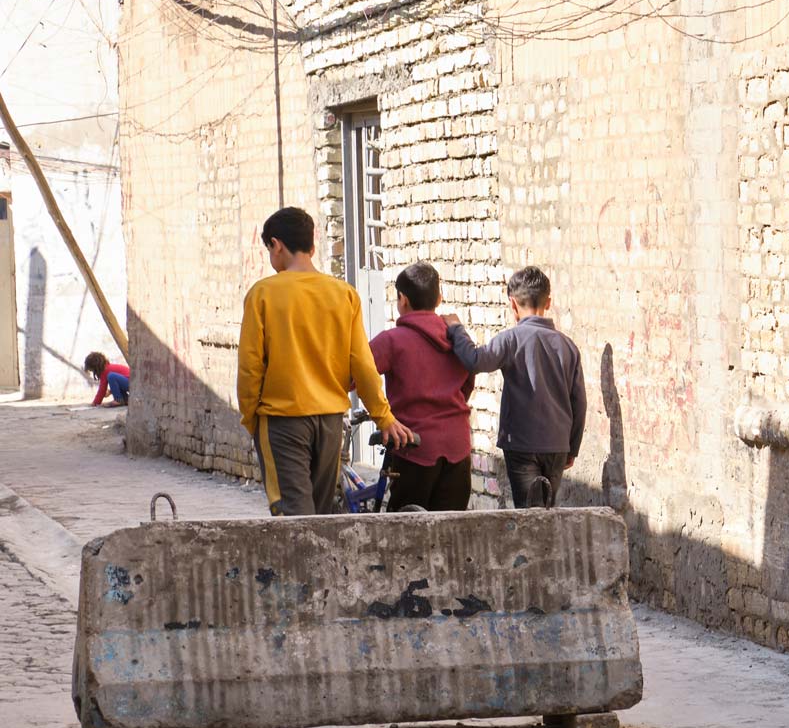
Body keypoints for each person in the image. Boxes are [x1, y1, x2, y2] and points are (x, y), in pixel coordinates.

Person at [237, 207, 414, 516]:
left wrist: (251, 416)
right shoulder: (343, 294)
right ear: (312, 245)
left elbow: (251, 367)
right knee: (320, 516)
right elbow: (363, 364)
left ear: (276, 245)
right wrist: (382, 416)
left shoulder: (263, 294)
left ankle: (300, 567)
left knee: (293, 514)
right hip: (331, 422)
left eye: (269, 249)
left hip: (282, 420)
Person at [444, 266, 585, 509]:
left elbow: (475, 361)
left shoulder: (511, 339)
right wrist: (572, 448)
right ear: (548, 302)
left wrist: (457, 329)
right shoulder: (568, 346)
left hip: (521, 443)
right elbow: (579, 401)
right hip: (557, 445)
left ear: (512, 304)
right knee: (546, 512)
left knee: (529, 515)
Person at [369, 261, 476, 512]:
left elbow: (355, 376)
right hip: (457, 445)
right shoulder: (457, 336)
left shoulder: (392, 341)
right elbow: (468, 380)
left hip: (413, 448)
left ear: (402, 300)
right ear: (439, 298)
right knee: (452, 534)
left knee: (406, 535)